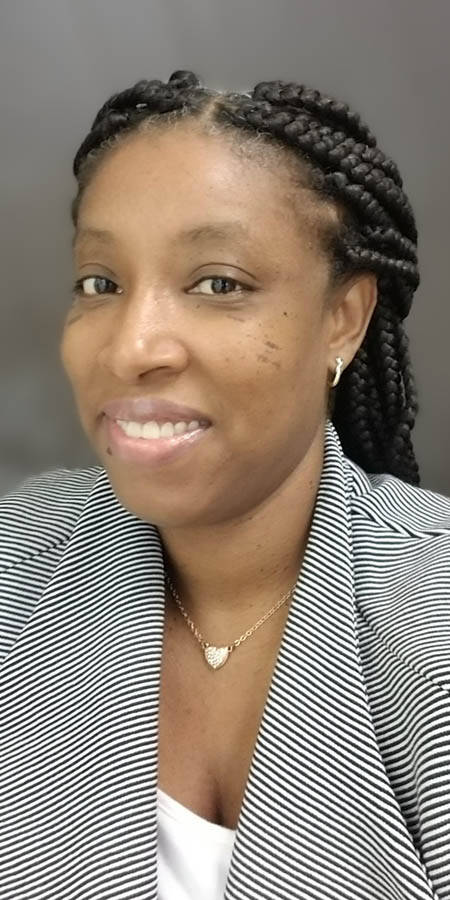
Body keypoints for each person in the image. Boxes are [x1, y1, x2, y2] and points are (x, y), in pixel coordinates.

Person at [1, 69, 449, 900]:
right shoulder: (17, 564)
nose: (133, 347)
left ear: (342, 319)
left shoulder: (432, 615)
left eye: (218, 284)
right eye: (100, 282)